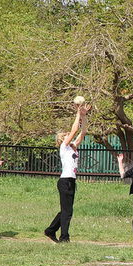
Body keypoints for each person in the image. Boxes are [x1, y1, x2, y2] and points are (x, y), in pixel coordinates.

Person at [44, 104, 89, 243]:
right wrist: (77, 112)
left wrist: (84, 116)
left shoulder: (73, 147)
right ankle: (64, 237)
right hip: (64, 181)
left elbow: (83, 131)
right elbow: (75, 129)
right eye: (67, 136)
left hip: (71, 181)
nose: (69, 136)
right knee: (67, 211)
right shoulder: (64, 147)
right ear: (63, 140)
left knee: (66, 210)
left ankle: (51, 230)